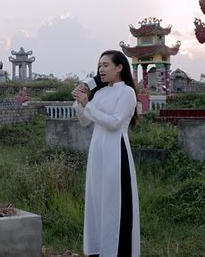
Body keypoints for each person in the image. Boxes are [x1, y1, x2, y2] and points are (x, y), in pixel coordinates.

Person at [71, 50, 140, 257]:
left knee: (115, 202)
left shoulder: (126, 92)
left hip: (115, 155)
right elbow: (85, 121)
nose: (101, 69)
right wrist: (79, 101)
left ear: (119, 67)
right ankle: (99, 250)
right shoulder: (99, 94)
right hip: (97, 155)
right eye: (99, 65)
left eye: (106, 65)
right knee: (97, 201)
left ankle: (118, 251)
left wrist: (87, 104)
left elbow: (115, 123)